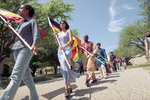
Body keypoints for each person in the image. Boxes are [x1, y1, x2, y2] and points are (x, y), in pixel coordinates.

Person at [0, 5, 40, 100]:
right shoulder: (20, 23)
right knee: (26, 77)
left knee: (16, 74)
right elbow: (15, 37)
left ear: (27, 10)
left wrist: (34, 44)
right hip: (16, 49)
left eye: (21, 8)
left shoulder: (32, 21)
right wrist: (10, 28)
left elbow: (36, 33)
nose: (19, 9)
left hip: (26, 48)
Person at [54, 20, 80, 99]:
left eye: (63, 23)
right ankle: (69, 86)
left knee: (64, 67)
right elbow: (58, 44)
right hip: (60, 51)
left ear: (65, 24)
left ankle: (66, 88)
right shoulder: (58, 33)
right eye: (60, 23)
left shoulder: (68, 31)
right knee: (63, 68)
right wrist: (55, 37)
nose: (61, 24)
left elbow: (71, 41)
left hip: (67, 50)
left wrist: (64, 46)